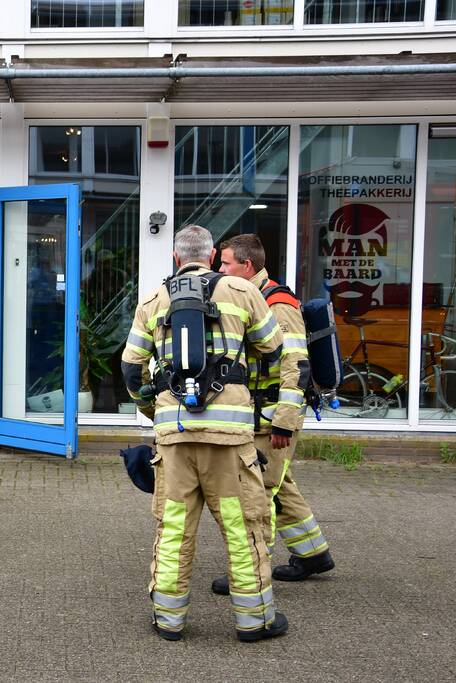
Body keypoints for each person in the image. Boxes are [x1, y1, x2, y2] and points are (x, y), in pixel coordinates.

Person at [121, 224, 292, 642]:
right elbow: (275, 349)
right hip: (230, 441)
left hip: (174, 440)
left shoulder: (153, 299)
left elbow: (130, 368)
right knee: (241, 527)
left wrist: (154, 409)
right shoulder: (243, 291)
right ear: (213, 254)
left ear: (177, 258)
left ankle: (168, 620)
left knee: (174, 527)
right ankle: (255, 623)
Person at [212, 234, 334, 593]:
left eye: (226, 263)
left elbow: (296, 364)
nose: (220, 270)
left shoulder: (277, 303)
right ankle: (313, 553)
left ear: (246, 266)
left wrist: (285, 420)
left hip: (272, 419)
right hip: (259, 416)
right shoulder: (248, 297)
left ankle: (249, 574)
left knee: (258, 494)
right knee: (280, 485)